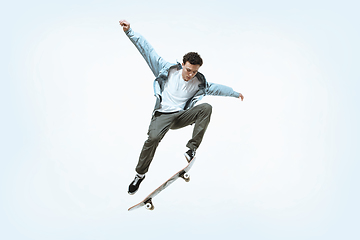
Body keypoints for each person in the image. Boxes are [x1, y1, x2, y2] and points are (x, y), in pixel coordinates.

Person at [119, 20, 244, 195]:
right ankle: (139, 175)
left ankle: (191, 148)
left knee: (206, 107)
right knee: (152, 139)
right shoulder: (166, 69)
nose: (190, 74)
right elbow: (147, 51)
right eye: (188, 70)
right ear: (182, 64)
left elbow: (216, 88)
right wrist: (129, 31)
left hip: (180, 117)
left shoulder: (200, 83)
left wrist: (234, 93)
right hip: (162, 115)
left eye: (194, 71)